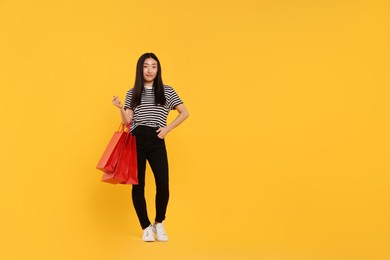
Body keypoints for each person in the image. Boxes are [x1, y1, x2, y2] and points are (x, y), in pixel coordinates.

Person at [111, 53, 189, 242]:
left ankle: (159, 222)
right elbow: (128, 121)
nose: (150, 70)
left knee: (163, 183)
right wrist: (120, 107)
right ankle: (146, 226)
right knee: (138, 185)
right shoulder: (133, 92)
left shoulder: (167, 91)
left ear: (158, 69)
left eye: (154, 66)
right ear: (140, 69)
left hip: (156, 139)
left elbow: (184, 112)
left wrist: (168, 129)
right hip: (136, 139)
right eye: (146, 66)